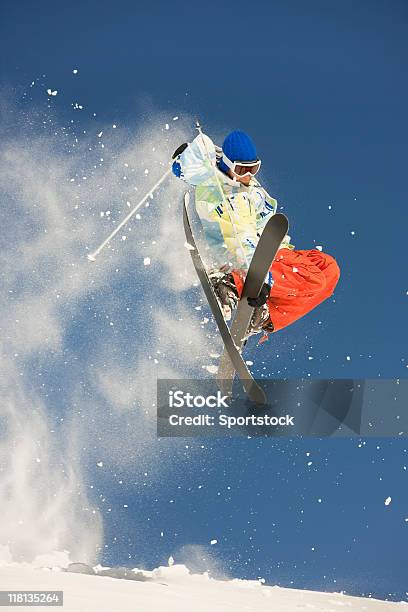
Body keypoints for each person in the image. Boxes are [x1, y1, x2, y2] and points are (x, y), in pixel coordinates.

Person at [172, 129, 340, 339]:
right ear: (228, 165)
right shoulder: (227, 195)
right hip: (245, 256)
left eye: (253, 168)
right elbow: (242, 237)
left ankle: (263, 313)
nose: (248, 175)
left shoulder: (243, 183)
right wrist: (261, 278)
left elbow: (207, 156)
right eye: (242, 169)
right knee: (314, 280)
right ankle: (232, 283)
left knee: (329, 268)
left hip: (278, 251)